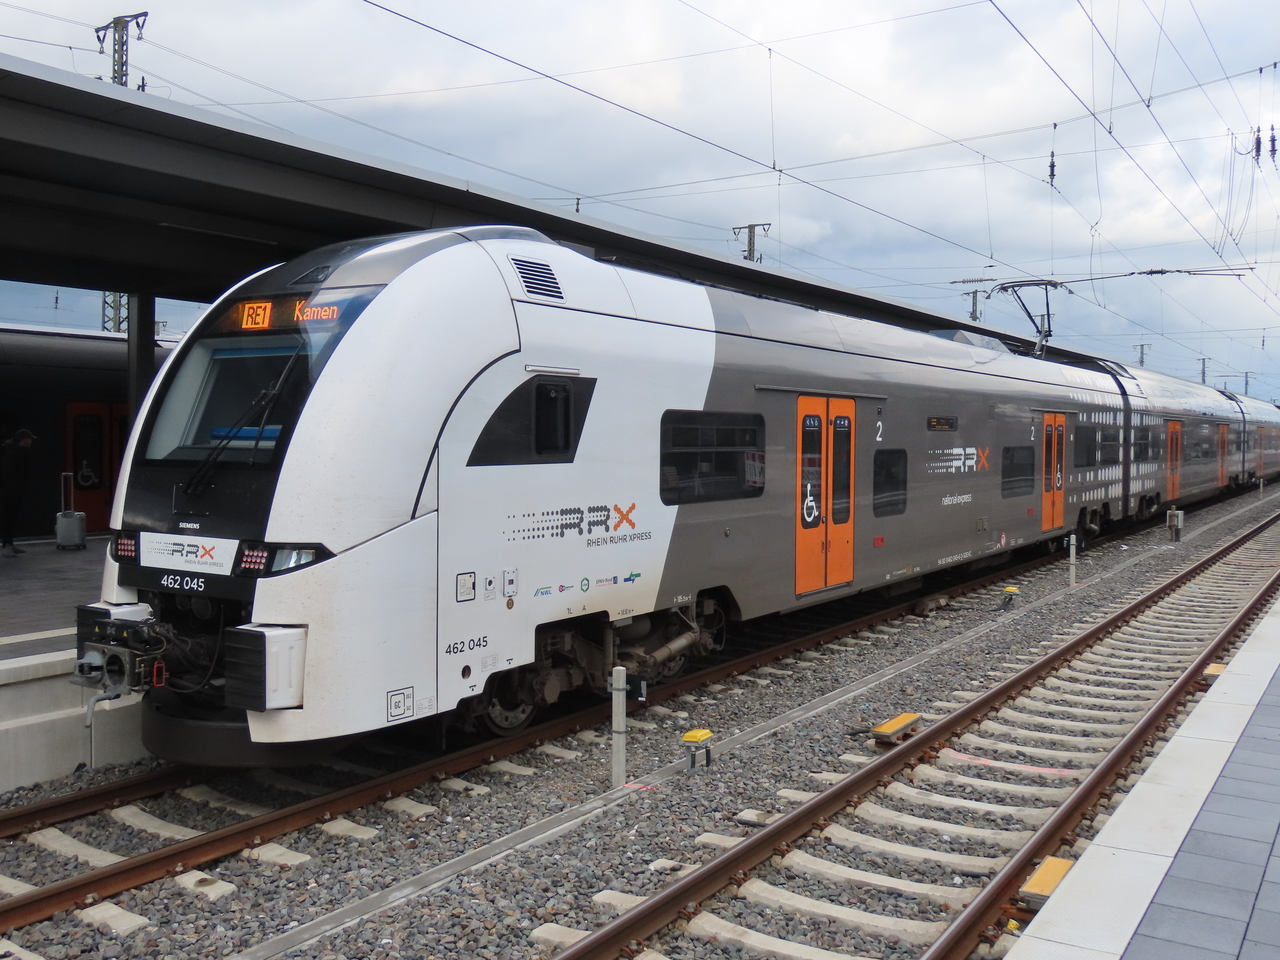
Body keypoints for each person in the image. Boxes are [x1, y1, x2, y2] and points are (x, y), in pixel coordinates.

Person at [0, 428, 36, 558]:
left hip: (13, 491)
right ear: (24, 440)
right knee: (9, 518)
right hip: (11, 492)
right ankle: (6, 545)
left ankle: (9, 543)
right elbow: (11, 474)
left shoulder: (15, 451)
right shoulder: (14, 453)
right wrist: (14, 490)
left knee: (11, 518)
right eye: (30, 439)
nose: (31, 442)